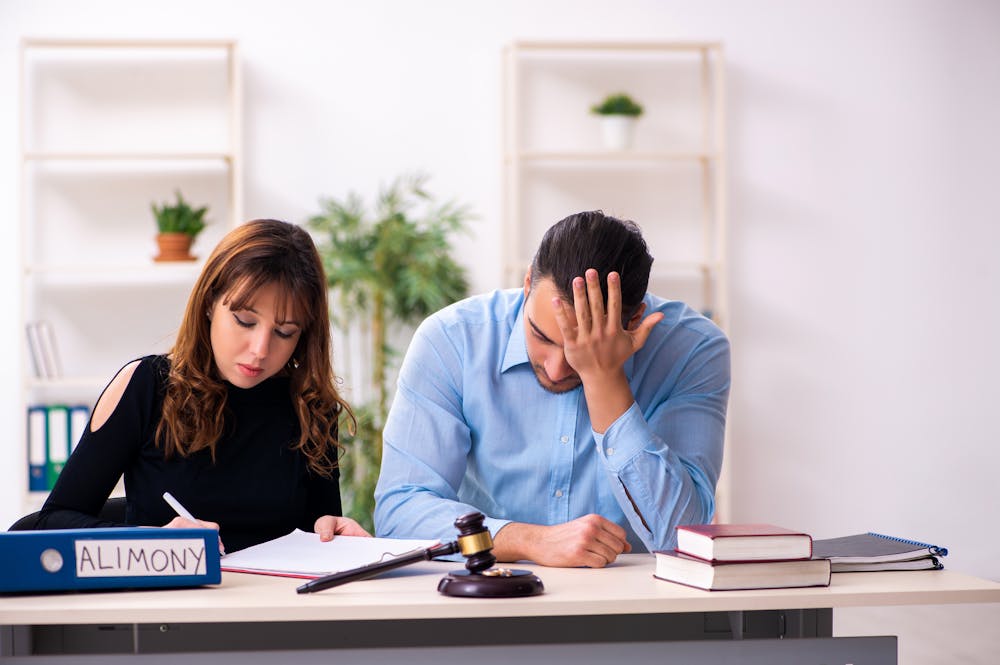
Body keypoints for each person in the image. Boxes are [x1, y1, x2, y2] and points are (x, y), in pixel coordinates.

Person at [374, 210, 730, 567]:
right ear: (528, 283)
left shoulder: (693, 350)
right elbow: (400, 511)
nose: (556, 368)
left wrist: (603, 379)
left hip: (635, 607)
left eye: (579, 351)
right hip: (486, 600)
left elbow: (682, 539)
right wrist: (528, 540)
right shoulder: (451, 341)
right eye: (542, 336)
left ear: (634, 320)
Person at [30, 219, 369, 552]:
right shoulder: (147, 387)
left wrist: (333, 533)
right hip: (169, 602)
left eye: (285, 332)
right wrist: (149, 540)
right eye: (245, 321)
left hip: (272, 605)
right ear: (209, 302)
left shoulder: (311, 405)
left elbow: (318, 533)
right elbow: (51, 522)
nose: (260, 350)